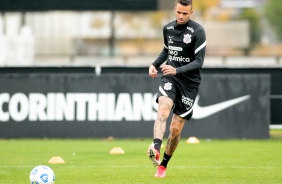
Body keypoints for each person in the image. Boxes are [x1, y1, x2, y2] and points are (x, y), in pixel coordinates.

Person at [147, 0, 206, 178]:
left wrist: (177, 69)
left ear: (191, 12)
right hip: (170, 77)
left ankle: (163, 165)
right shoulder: (168, 29)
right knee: (163, 108)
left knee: (175, 129)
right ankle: (156, 147)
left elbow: (199, 61)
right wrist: (154, 64)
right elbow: (167, 50)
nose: (181, 16)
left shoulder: (198, 31)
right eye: (178, 12)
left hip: (189, 84)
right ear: (175, 10)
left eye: (185, 13)